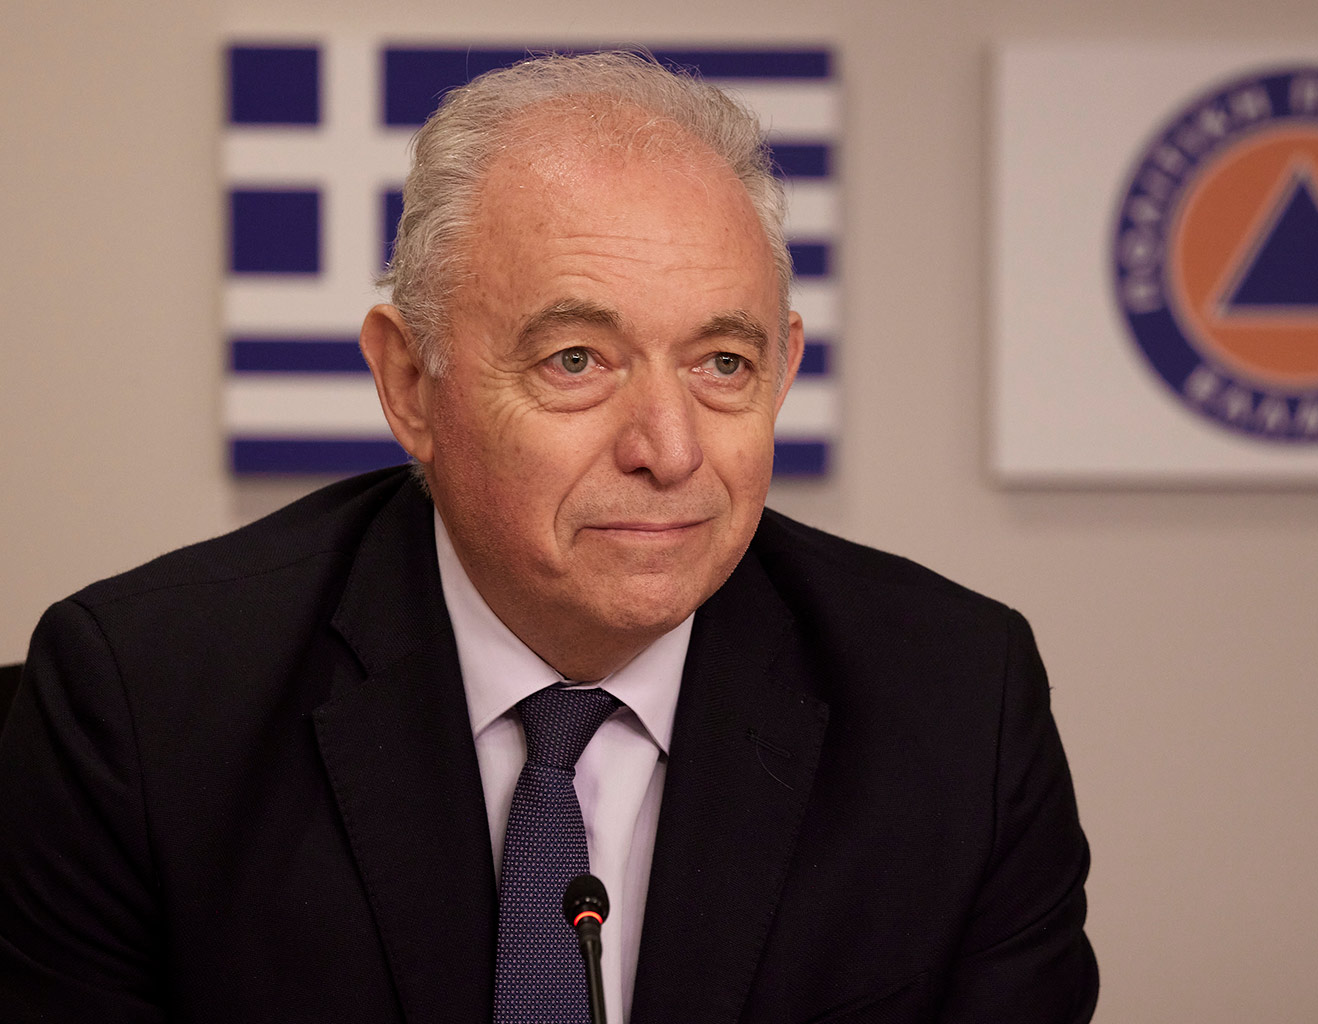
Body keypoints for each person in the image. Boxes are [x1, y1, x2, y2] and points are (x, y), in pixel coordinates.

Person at [0, 52, 1096, 1023]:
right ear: (410, 383)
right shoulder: (145, 705)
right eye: (577, 360)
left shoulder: (957, 708)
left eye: (723, 364)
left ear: (784, 370)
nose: (669, 449)